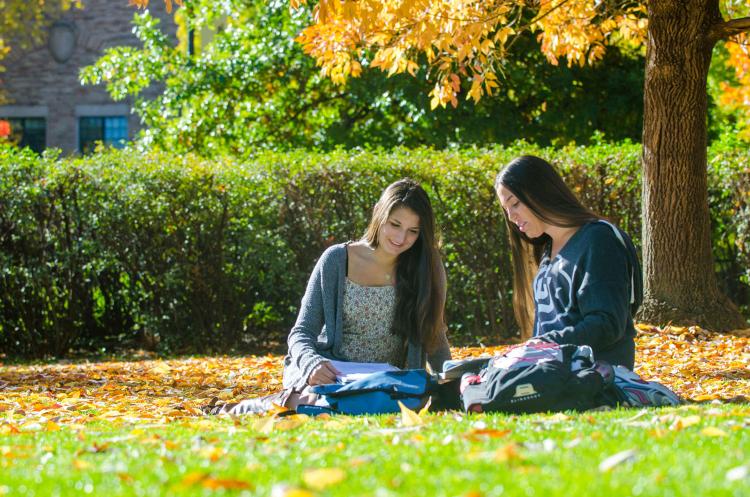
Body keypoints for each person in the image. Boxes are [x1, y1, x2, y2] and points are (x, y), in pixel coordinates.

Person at [205, 178, 451, 414]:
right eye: (394, 225)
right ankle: (252, 407)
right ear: (378, 213)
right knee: (320, 401)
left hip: (384, 379)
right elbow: (301, 332)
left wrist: (449, 386)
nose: (400, 238)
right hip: (330, 372)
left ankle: (316, 402)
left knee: (401, 402)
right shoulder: (336, 260)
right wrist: (312, 364)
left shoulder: (426, 266)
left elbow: (435, 336)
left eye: (413, 231)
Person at [495, 155, 642, 370]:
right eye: (506, 210)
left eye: (515, 204)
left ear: (540, 192)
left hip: (594, 375)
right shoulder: (548, 249)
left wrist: (544, 345)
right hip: (554, 373)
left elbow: (607, 324)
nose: (511, 217)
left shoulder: (598, 239)